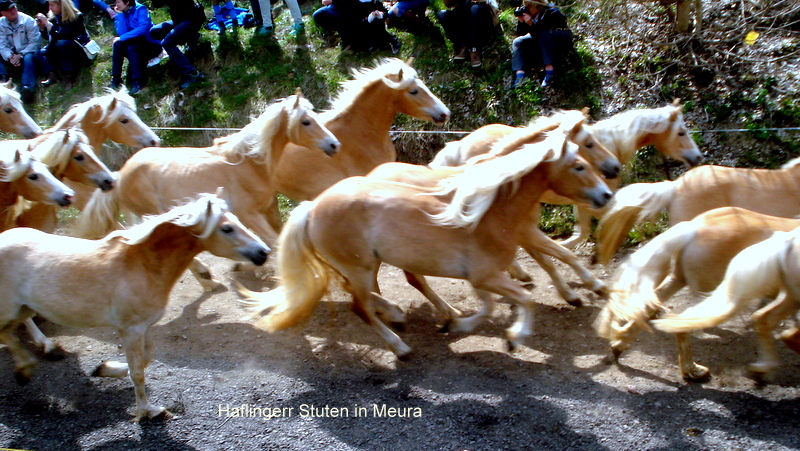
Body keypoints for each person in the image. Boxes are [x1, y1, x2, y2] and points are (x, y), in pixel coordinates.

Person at [510, 0, 572, 87]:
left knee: (543, 35)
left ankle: (549, 73)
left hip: (559, 39)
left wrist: (531, 23)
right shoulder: (531, 14)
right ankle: (520, 77)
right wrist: (522, 22)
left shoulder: (551, 12)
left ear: (536, 6)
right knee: (518, 41)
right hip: (541, 41)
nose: (526, 9)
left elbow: (542, 30)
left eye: (528, 7)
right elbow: (521, 33)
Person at [147, 0, 204, 89]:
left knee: (167, 42)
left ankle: (192, 73)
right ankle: (192, 37)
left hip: (192, 19)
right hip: (179, 21)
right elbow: (157, 4)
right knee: (155, 31)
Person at [35, 0, 91, 90]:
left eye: (52, 5)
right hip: (61, 49)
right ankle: (52, 75)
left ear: (61, 5)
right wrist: (43, 29)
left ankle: (69, 77)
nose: (50, 8)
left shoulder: (75, 16)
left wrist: (48, 25)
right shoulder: (54, 19)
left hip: (77, 49)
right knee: (39, 53)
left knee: (61, 43)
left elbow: (64, 35)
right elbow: (51, 37)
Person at [109, 0, 160, 94]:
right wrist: (120, 15)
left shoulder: (140, 9)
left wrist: (122, 38)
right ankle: (116, 78)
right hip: (134, 43)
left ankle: (137, 82)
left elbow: (142, 28)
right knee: (118, 44)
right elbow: (121, 32)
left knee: (131, 48)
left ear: (127, 2)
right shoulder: (120, 13)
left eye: (118, 2)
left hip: (150, 44)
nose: (116, 5)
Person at [312, 0, 399, 53]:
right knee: (319, 15)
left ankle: (352, 42)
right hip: (338, 6)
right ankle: (341, 37)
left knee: (362, 21)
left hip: (352, 7)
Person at [0, 1, 42, 103]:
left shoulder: (28, 20)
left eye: (14, 7)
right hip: (11, 56)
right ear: (3, 13)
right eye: (9, 10)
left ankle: (27, 88)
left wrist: (20, 55)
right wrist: (10, 56)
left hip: (27, 53)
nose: (13, 11)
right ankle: (3, 81)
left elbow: (35, 43)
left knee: (29, 57)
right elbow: (2, 44)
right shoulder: (1, 24)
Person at [436, 0, 497, 68]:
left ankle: (474, 49)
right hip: (464, 13)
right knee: (442, 14)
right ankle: (462, 46)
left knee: (475, 9)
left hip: (481, 12)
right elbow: (448, 5)